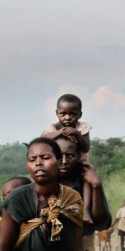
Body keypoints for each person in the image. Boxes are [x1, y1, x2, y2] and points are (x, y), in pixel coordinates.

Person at [42, 93, 94, 224]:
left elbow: (86, 147)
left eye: (73, 114)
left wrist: (77, 134)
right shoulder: (54, 128)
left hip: (80, 163)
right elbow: (44, 139)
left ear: (79, 115)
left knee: (88, 182)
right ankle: (46, 208)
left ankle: (86, 210)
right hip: (59, 164)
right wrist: (60, 132)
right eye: (63, 114)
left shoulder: (82, 128)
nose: (67, 118)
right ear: (57, 113)